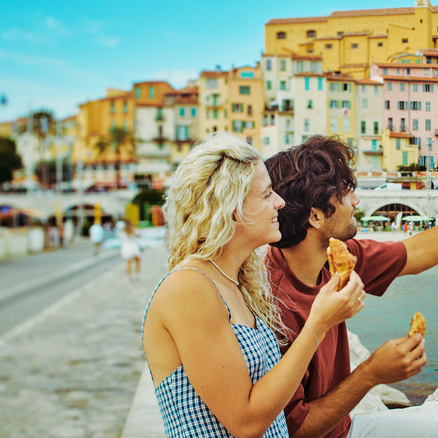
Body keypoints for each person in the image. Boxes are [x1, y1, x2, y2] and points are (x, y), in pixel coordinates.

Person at [264, 135, 438, 438]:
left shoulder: (337, 258)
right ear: (315, 216)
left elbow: (417, 252)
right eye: (344, 194)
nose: (355, 201)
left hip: (343, 428)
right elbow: (293, 429)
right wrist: (371, 374)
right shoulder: (274, 305)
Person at [142, 132, 365, 437]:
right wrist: (319, 324)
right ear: (231, 208)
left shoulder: (239, 283)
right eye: (266, 194)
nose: (280, 202)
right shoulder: (189, 288)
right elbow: (246, 423)